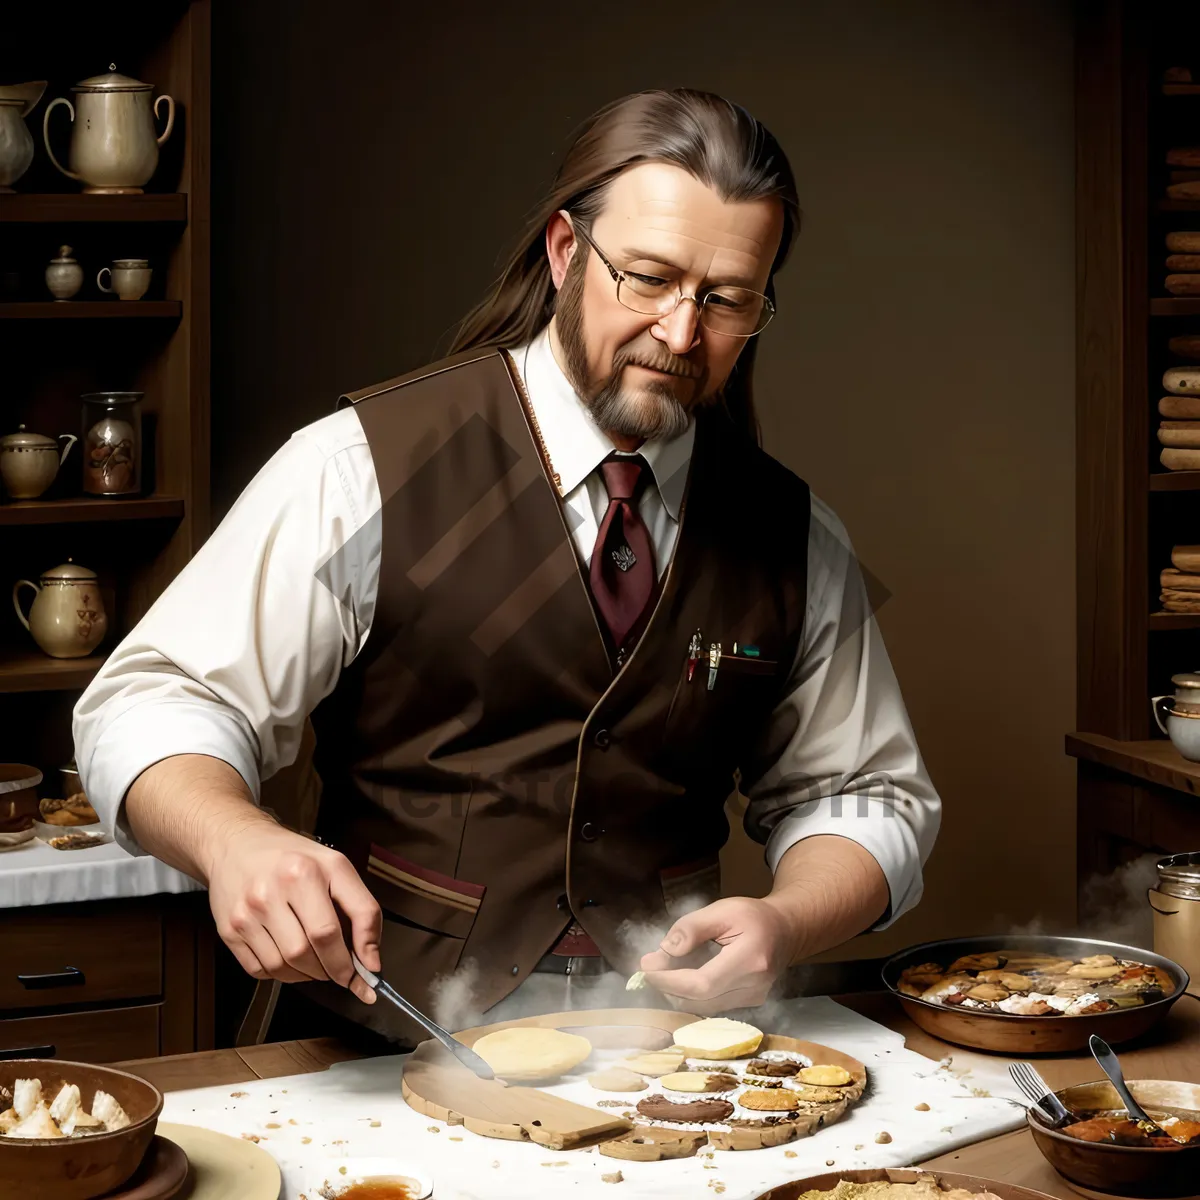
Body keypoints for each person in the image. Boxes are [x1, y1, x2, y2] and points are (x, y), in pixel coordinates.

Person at [73, 88, 940, 1043]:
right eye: (647, 278)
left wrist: (787, 919)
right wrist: (236, 838)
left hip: (665, 1065)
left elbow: (866, 795)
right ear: (567, 254)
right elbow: (153, 699)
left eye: (727, 300)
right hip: (373, 1043)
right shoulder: (365, 465)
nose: (683, 334)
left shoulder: (793, 532)